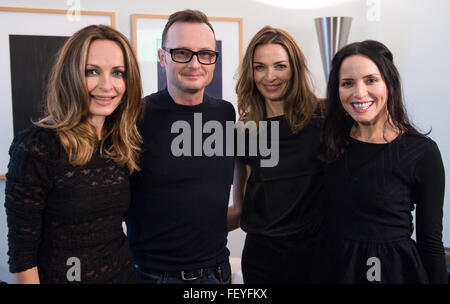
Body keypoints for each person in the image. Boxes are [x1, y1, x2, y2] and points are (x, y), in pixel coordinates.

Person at [4, 25, 143, 284]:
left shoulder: (121, 142)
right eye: (92, 71)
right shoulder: (37, 147)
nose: (107, 85)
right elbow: (23, 260)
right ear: (70, 75)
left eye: (117, 73)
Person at [317, 40, 447, 284]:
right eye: (347, 83)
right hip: (332, 267)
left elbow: (430, 242)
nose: (359, 92)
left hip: (392, 271)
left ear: (389, 83)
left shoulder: (422, 153)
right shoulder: (329, 142)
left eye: (370, 80)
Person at [125, 9, 235, 284]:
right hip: (152, 275)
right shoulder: (134, 116)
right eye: (182, 53)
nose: (195, 63)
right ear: (162, 58)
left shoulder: (225, 114)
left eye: (205, 54)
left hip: (218, 273)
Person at [227, 26, 325, 284]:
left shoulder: (324, 118)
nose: (270, 76)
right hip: (262, 261)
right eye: (260, 67)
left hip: (316, 257)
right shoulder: (245, 131)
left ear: (295, 68)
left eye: (279, 66)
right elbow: (239, 209)